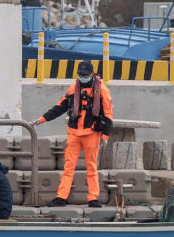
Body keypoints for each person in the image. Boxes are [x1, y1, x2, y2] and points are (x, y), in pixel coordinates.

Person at [32, 60, 113, 207]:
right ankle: (61, 197)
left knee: (91, 167)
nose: (82, 77)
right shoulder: (73, 89)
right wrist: (41, 119)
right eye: (80, 74)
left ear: (92, 74)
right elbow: (59, 107)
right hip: (74, 133)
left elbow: (108, 114)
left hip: (92, 133)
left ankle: (93, 198)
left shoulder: (102, 90)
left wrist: (105, 136)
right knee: (68, 166)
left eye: (85, 75)